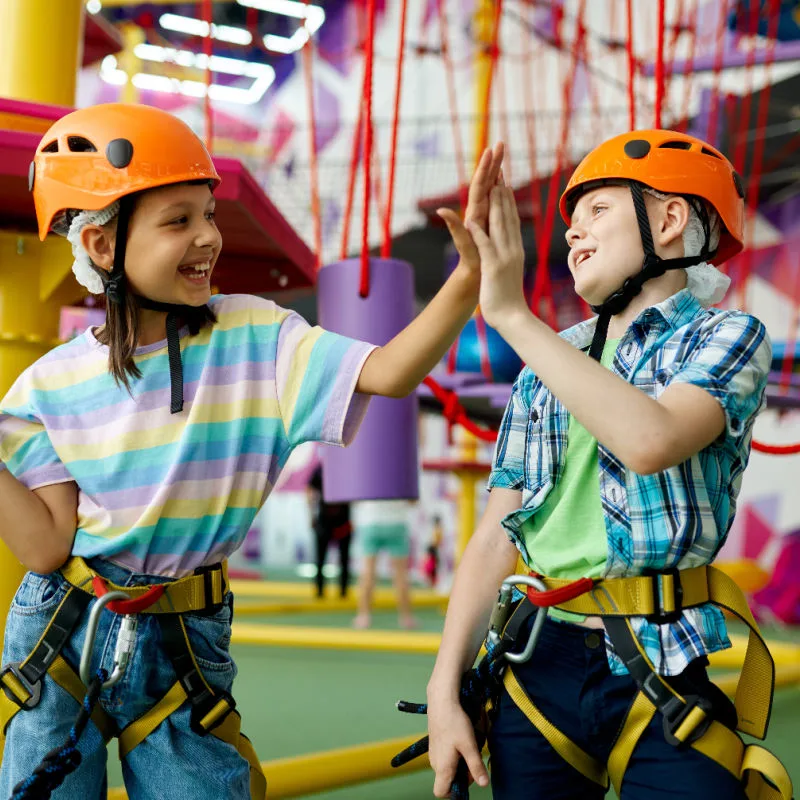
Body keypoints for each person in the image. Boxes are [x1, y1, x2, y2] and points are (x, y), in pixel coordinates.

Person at [0, 103, 504, 799]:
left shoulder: (259, 338)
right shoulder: (44, 388)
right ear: (101, 246)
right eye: (178, 220)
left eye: (207, 214)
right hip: (62, 627)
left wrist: (468, 281)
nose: (208, 236)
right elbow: (47, 547)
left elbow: (388, 372)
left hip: (184, 634)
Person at [426, 130, 790, 799]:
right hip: (534, 658)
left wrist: (511, 316)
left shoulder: (726, 336)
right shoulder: (546, 364)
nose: (574, 233)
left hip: (662, 657)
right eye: (572, 222)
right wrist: (444, 685)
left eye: (597, 211)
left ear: (670, 219)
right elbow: (494, 539)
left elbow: (650, 440)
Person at [351, 498, 416, 629]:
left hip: (371, 521)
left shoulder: (366, 476)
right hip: (396, 522)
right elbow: (413, 500)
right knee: (400, 574)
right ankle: (406, 617)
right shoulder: (403, 476)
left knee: (368, 572)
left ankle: (363, 616)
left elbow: (356, 499)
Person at [307, 463, 352, 598]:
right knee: (320, 560)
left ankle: (343, 592)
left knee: (344, 560)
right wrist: (311, 514)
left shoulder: (347, 468)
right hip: (324, 522)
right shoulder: (321, 469)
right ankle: (320, 592)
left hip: (343, 522)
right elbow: (309, 490)